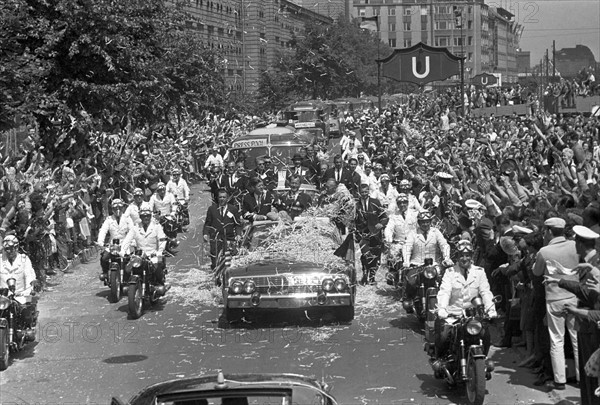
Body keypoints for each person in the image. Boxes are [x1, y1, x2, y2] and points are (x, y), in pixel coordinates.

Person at [545, 225, 600, 402]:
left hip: (592, 326)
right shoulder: (588, 263)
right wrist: (559, 281)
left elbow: (590, 296)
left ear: (580, 244)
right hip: (587, 324)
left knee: (591, 375)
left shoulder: (594, 265)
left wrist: (577, 311)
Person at [532, 217, 580, 391]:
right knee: (576, 338)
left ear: (549, 231)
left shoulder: (544, 251)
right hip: (575, 297)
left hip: (554, 299)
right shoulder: (575, 245)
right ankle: (581, 377)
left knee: (556, 339)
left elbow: (536, 272)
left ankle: (560, 380)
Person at [434, 240, 497, 357]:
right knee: (443, 338)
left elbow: (485, 292)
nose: (464, 258)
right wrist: (442, 309)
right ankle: (441, 362)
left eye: (467, 255)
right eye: (461, 255)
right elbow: (444, 292)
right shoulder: (450, 272)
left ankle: (483, 363)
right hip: (453, 315)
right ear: (457, 256)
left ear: (472, 256)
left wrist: (491, 309)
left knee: (486, 337)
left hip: (473, 317)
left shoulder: (479, 272)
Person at [120, 202, 167, 286]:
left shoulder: (157, 226)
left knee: (156, 267)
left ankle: (161, 283)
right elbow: (127, 239)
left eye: (148, 216)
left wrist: (160, 251)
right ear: (140, 217)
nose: (146, 218)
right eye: (143, 216)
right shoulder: (135, 227)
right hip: (140, 256)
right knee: (127, 268)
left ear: (150, 216)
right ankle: (125, 284)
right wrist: (123, 250)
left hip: (152, 255)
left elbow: (162, 239)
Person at [355, 183, 388, 285]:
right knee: (365, 255)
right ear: (359, 193)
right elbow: (352, 220)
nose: (364, 194)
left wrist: (381, 224)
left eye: (366, 192)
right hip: (362, 234)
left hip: (375, 234)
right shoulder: (356, 205)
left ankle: (372, 276)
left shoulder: (375, 202)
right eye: (362, 192)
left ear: (368, 192)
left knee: (375, 255)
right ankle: (365, 273)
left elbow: (384, 216)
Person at [202, 189, 243, 271]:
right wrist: (205, 233)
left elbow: (238, 224)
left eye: (224, 197)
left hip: (229, 239)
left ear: (227, 198)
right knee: (216, 262)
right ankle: (216, 276)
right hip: (216, 240)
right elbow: (207, 224)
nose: (222, 199)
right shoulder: (212, 209)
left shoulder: (233, 209)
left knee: (229, 262)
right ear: (217, 198)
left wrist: (238, 234)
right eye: (220, 197)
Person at [96, 199, 134, 282]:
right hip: (112, 245)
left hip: (125, 244)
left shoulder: (127, 218)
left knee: (129, 260)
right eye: (115, 208)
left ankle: (128, 278)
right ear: (112, 209)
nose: (118, 210)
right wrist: (100, 242)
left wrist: (133, 242)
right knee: (104, 258)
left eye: (120, 208)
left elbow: (132, 231)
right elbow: (103, 230)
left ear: (123, 208)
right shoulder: (109, 219)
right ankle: (105, 273)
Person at [0, 235, 38, 303]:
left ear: (16, 247)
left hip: (21, 297)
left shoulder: (24, 259)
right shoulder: (0, 260)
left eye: (11, 248)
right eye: (6, 249)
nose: (9, 251)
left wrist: (29, 290)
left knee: (26, 310)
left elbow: (29, 276)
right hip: (3, 299)